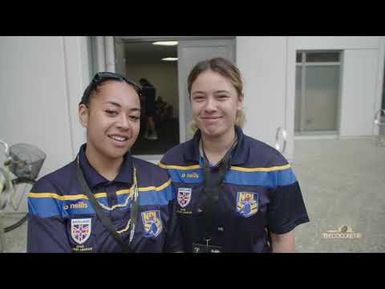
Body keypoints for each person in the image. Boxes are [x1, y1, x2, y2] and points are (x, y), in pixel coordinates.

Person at [159, 57, 309, 253]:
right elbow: (165, 236)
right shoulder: (170, 164)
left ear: (239, 101)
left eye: (221, 96)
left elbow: (281, 239)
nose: (210, 107)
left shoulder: (273, 166)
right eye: (199, 97)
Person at [27, 72, 182, 253]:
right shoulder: (50, 193)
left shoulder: (158, 181)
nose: (124, 124)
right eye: (111, 112)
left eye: (133, 116)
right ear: (84, 114)